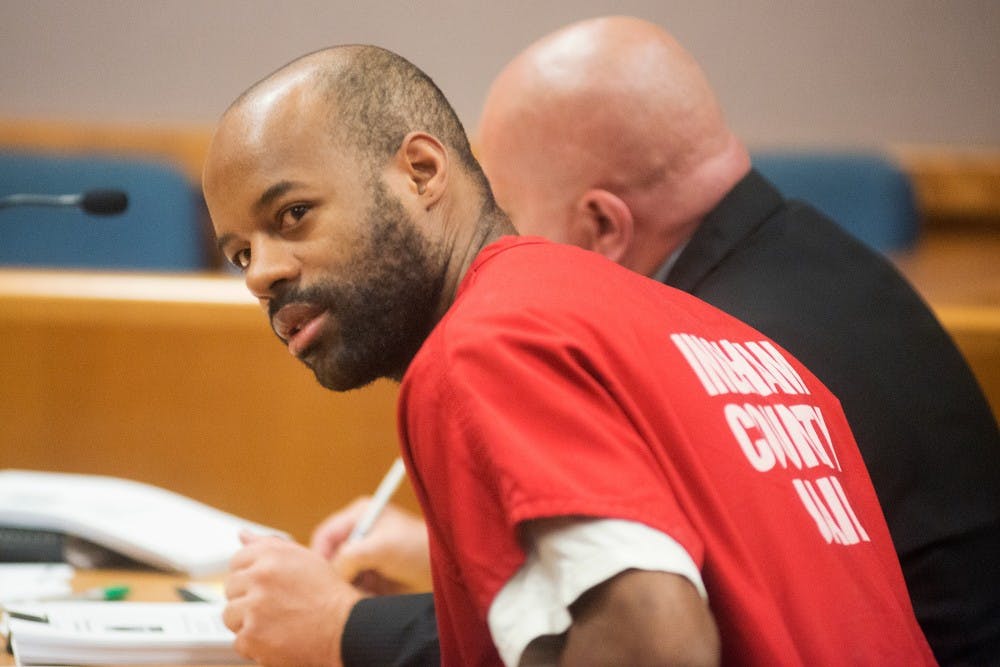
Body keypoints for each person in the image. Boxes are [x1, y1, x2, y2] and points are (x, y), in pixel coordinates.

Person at [203, 42, 936, 666]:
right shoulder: (711, 331)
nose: (262, 273)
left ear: (422, 172)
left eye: (292, 214)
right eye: (239, 254)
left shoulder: (479, 345)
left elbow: (657, 642)